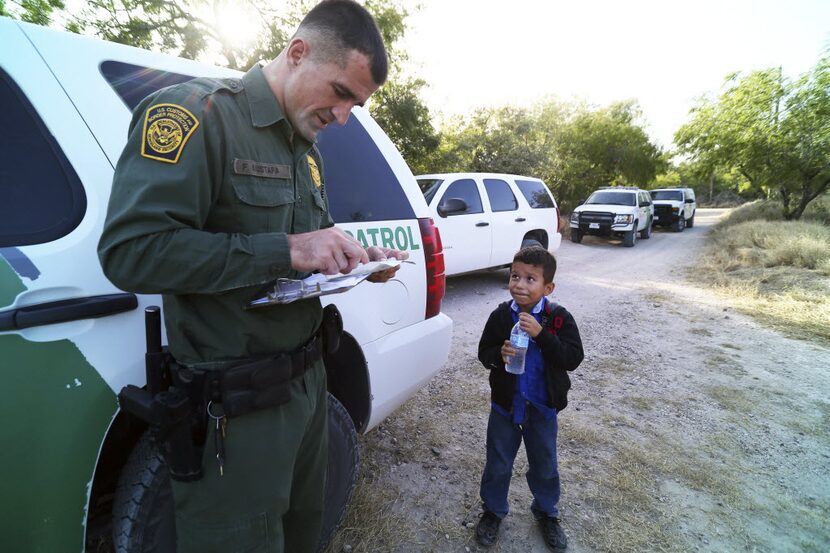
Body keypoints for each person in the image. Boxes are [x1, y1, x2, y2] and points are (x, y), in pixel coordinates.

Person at [97, 1, 404, 552]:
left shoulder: (305, 153)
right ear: (297, 52)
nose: (342, 117)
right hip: (234, 410)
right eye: (339, 93)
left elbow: (309, 248)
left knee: (303, 535)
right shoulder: (196, 116)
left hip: (309, 389)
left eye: (355, 105)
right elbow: (131, 252)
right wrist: (285, 248)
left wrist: (357, 258)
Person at [475, 246, 584, 551]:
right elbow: (484, 352)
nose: (520, 285)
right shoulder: (500, 316)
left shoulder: (557, 318)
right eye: (515, 276)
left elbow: (573, 358)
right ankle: (493, 511)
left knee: (545, 464)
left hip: (542, 408)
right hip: (505, 407)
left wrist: (541, 334)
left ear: (548, 287)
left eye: (530, 279)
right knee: (498, 463)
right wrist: (499, 354)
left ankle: (547, 512)